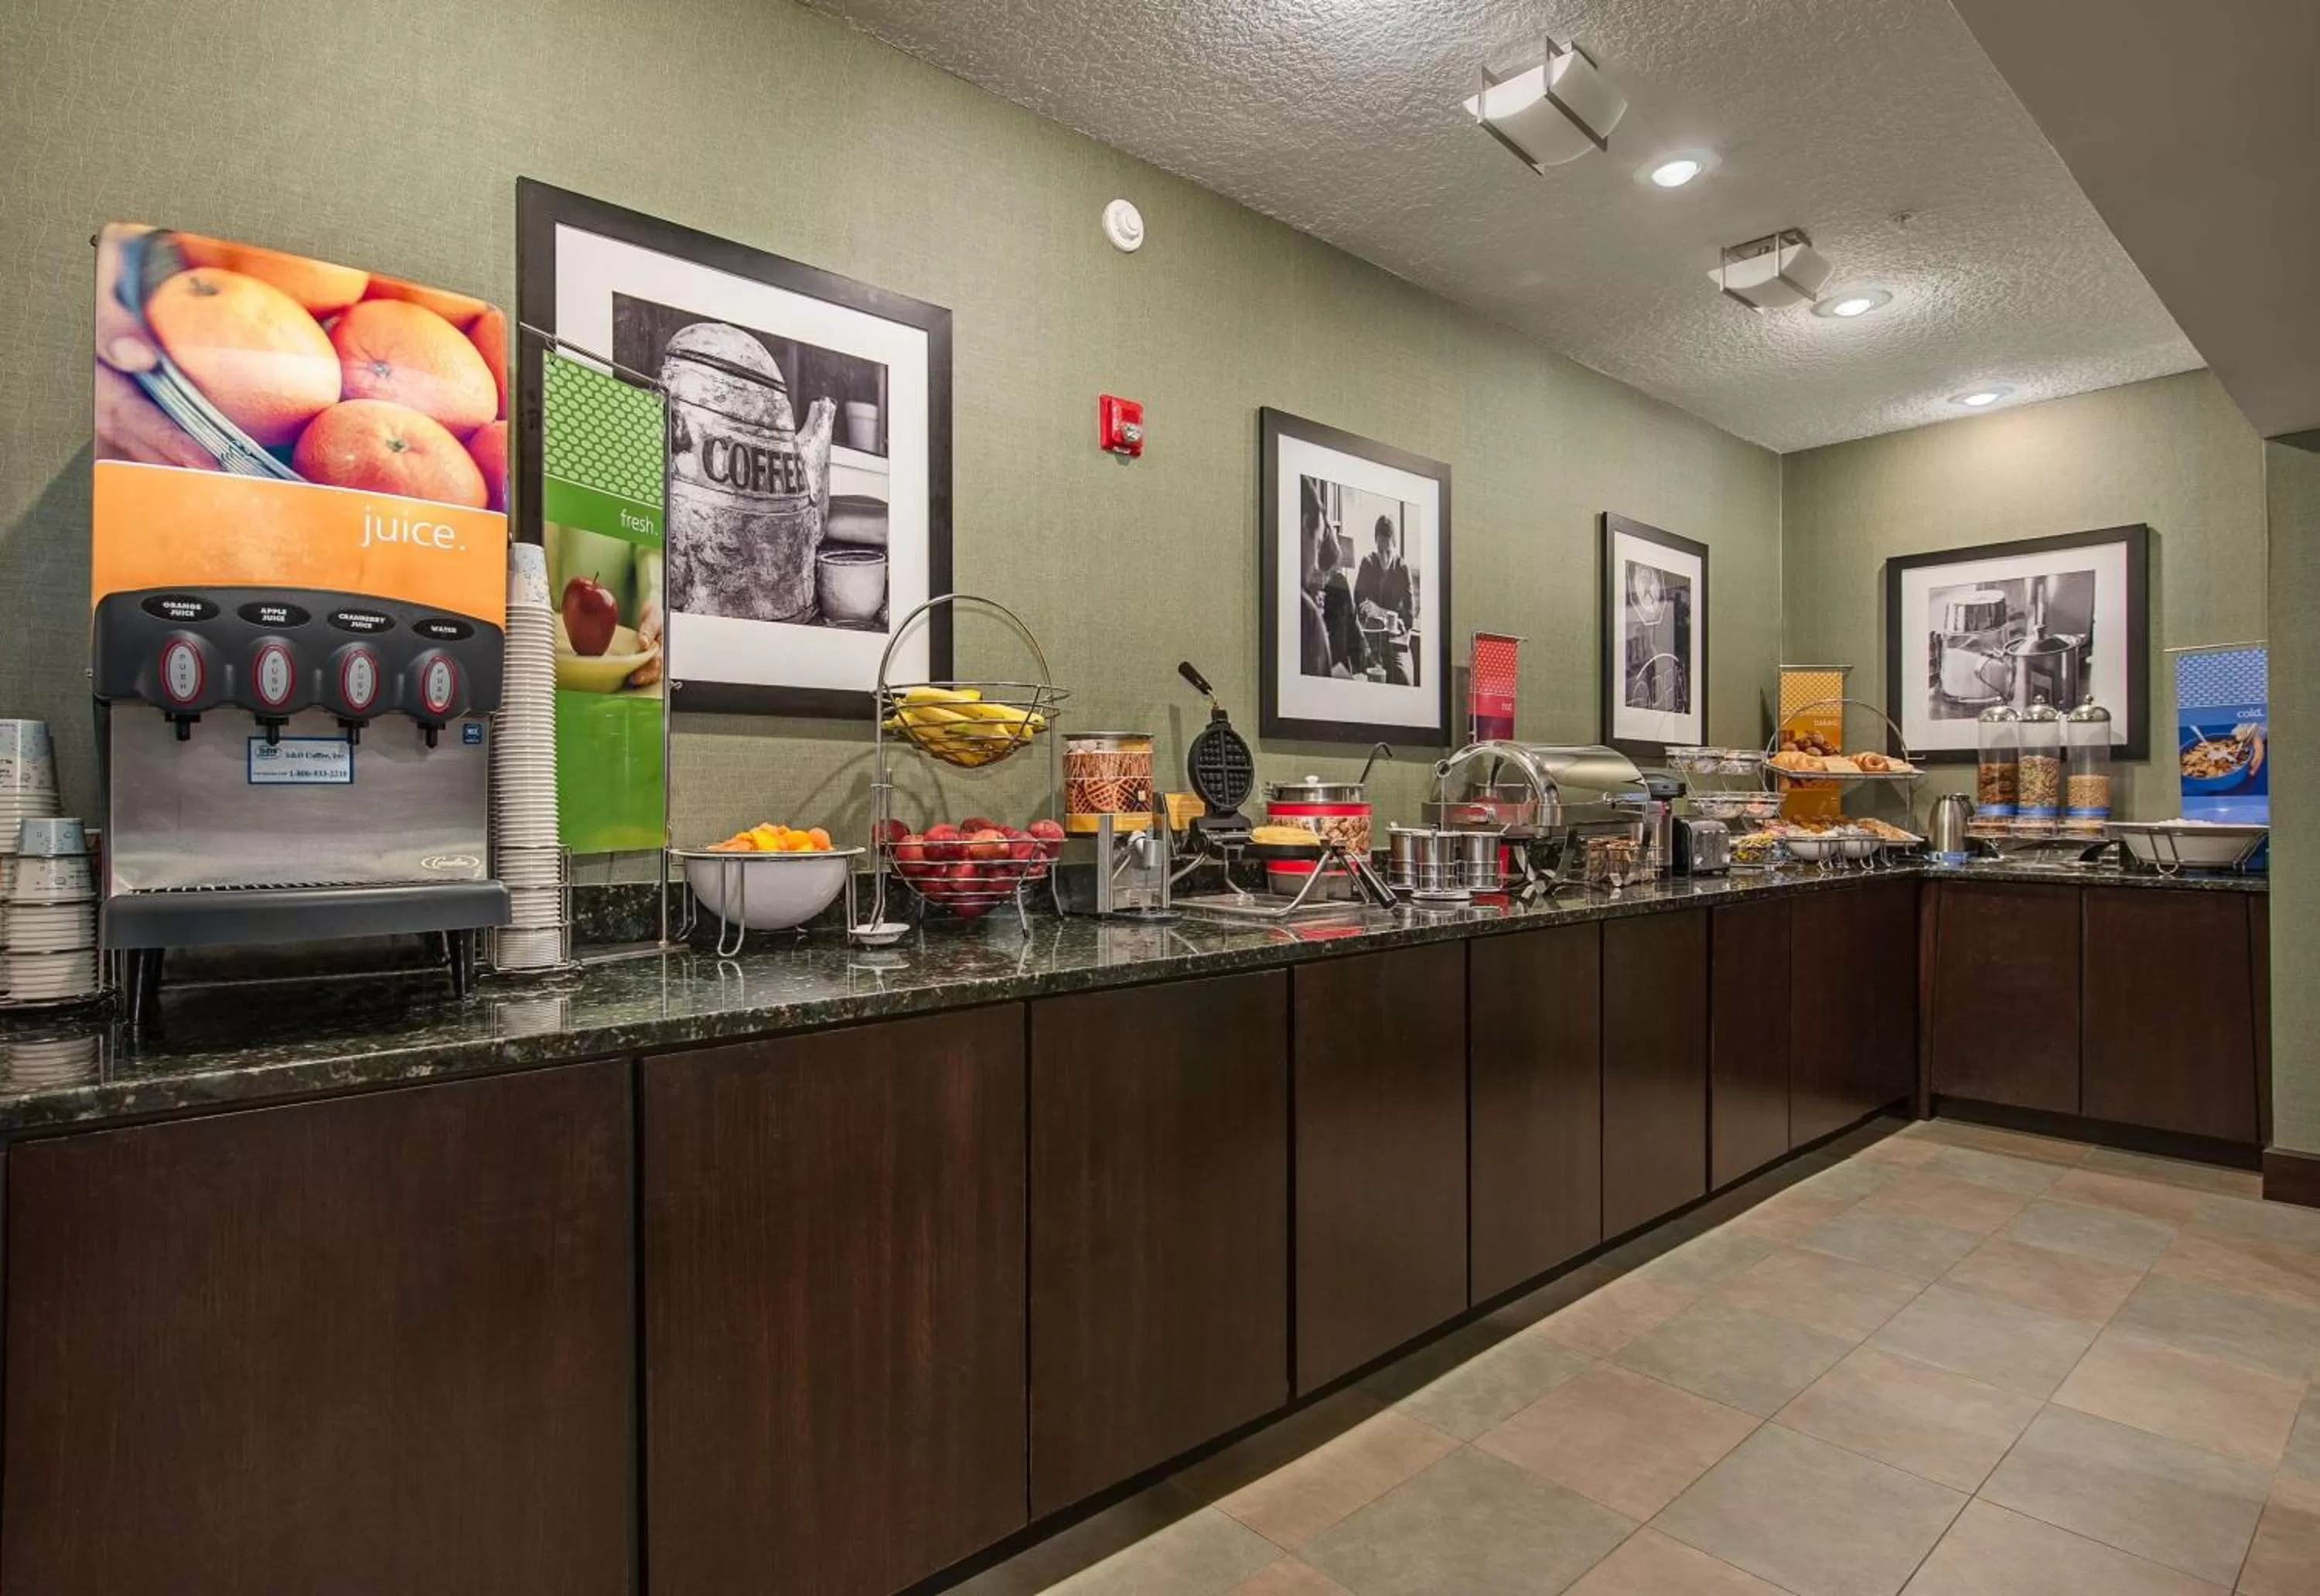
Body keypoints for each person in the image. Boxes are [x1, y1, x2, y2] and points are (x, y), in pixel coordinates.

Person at [1354, 515, 1414, 684]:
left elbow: (1409, 620)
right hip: (1371, 639)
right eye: (1381, 552)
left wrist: (1380, 611)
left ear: (1395, 546)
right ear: (1375, 545)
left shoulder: (1403, 569)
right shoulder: (1367, 564)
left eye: (1388, 552)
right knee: (1368, 678)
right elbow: (1358, 607)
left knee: (1403, 680)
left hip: (1396, 643)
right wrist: (1390, 615)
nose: (1385, 559)